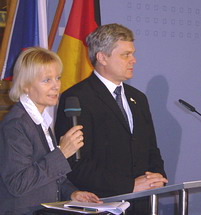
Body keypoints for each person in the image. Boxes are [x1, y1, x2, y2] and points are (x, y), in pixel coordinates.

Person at [55, 23, 168, 214]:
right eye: (126, 55)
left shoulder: (138, 99)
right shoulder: (77, 98)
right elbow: (76, 164)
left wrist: (158, 176)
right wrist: (129, 185)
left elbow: (151, 149)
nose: (133, 60)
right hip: (101, 205)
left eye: (132, 53)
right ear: (102, 57)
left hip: (143, 205)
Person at [0, 47, 101, 215]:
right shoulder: (16, 125)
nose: (56, 86)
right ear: (25, 85)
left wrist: (72, 193)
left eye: (58, 78)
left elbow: (51, 175)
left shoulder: (41, 120)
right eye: (47, 80)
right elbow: (18, 183)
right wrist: (62, 153)